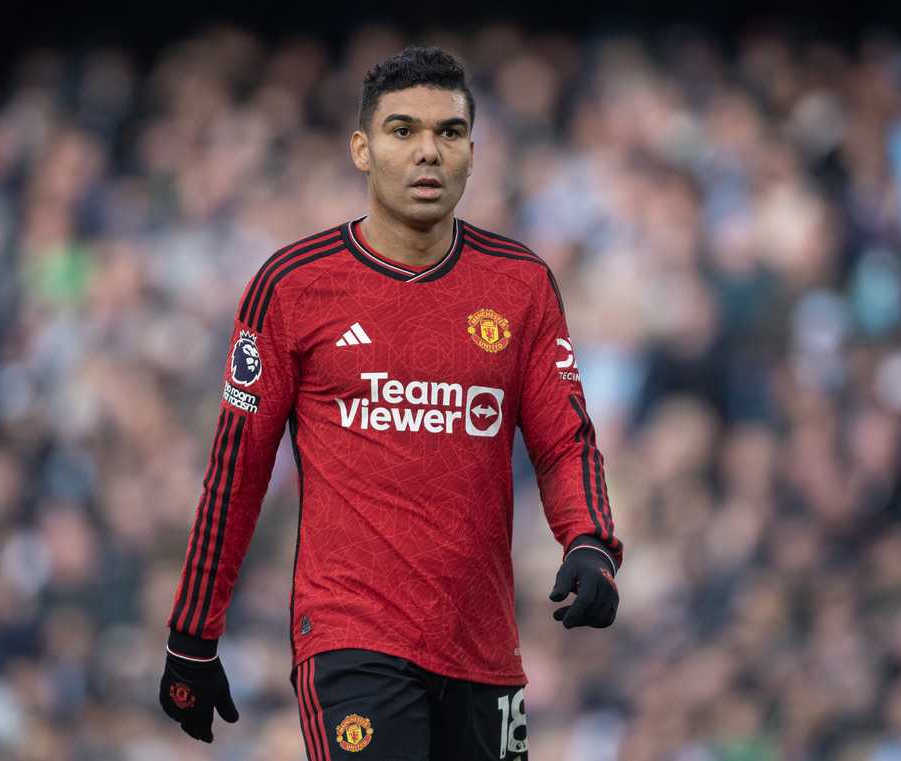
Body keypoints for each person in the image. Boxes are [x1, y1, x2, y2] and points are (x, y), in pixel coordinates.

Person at [158, 45, 623, 760]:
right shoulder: (292, 286)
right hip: (352, 642)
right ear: (362, 150)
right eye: (403, 131)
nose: (428, 152)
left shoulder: (521, 285)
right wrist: (194, 634)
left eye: (450, 132)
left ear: (473, 150)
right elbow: (237, 470)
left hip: (483, 651)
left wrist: (590, 542)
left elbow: (565, 441)